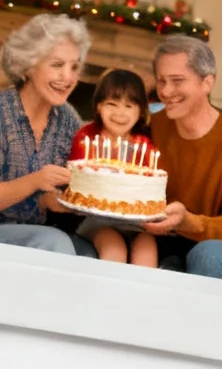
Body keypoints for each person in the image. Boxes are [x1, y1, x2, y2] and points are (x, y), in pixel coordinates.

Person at [0, 14, 97, 256]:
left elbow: (70, 189)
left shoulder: (68, 119)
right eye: (57, 65)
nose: (68, 77)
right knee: (55, 243)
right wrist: (35, 181)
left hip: (31, 233)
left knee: (89, 255)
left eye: (74, 66)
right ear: (28, 65)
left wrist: (54, 201)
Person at [141, 36, 222, 284]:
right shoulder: (151, 126)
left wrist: (189, 222)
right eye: (162, 81)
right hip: (167, 243)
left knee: (208, 254)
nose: (165, 91)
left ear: (207, 83)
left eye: (177, 81)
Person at [68, 69, 159, 267]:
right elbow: (78, 177)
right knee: (114, 248)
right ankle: (108, 296)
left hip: (134, 221)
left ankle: (139, 296)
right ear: (98, 106)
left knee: (147, 247)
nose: (120, 113)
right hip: (97, 220)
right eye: (112, 104)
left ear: (141, 111)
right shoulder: (87, 137)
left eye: (129, 106)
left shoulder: (143, 145)